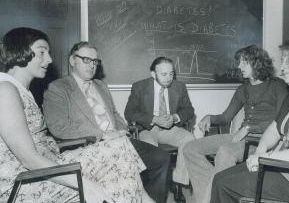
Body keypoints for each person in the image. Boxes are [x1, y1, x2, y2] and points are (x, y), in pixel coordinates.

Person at [0, 27, 154, 203]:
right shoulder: (5, 90)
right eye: (42, 52)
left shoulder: (20, 90)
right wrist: (84, 184)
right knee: (114, 175)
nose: (49, 59)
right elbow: (28, 159)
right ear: (20, 50)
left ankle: (143, 199)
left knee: (119, 145)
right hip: (24, 183)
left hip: (47, 164)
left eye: (48, 53)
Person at [43, 41, 170, 203]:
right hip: (88, 145)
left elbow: (115, 114)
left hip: (120, 140)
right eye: (86, 60)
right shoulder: (58, 88)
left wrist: (123, 130)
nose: (92, 65)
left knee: (161, 158)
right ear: (72, 60)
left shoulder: (100, 85)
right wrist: (102, 135)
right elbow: (59, 128)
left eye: (95, 61)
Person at [210, 36, 289, 203]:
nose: (282, 68)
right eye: (282, 61)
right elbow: (274, 129)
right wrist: (259, 152)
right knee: (220, 178)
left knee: (225, 186)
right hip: (285, 168)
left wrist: (268, 158)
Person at [183, 45, 289, 203]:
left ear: (257, 63)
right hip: (240, 137)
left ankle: (213, 196)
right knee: (190, 148)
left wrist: (249, 128)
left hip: (263, 141)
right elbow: (226, 117)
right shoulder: (242, 89)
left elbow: (283, 120)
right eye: (239, 62)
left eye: (244, 62)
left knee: (226, 151)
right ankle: (209, 195)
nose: (239, 66)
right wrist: (210, 117)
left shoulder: (278, 85)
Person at [124, 56, 195, 201]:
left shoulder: (179, 87)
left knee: (189, 139)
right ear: (153, 74)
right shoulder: (140, 87)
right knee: (152, 152)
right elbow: (129, 112)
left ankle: (178, 183)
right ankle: (152, 189)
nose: (169, 78)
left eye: (171, 73)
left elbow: (189, 110)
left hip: (170, 129)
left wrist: (174, 117)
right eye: (164, 74)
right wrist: (154, 119)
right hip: (148, 128)